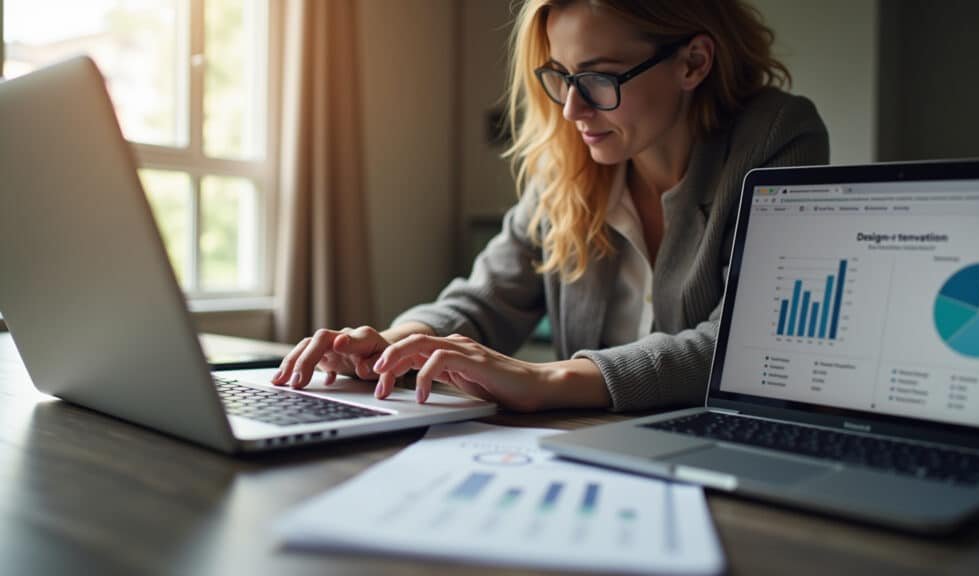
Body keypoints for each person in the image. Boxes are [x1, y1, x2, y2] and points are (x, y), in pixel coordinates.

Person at [271, 0, 828, 412]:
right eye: (560, 77)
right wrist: (388, 345)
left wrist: (550, 380)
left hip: (724, 457)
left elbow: (748, 340)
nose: (570, 111)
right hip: (586, 451)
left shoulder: (778, 135)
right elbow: (483, 302)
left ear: (694, 62)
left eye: (599, 77)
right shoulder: (571, 163)